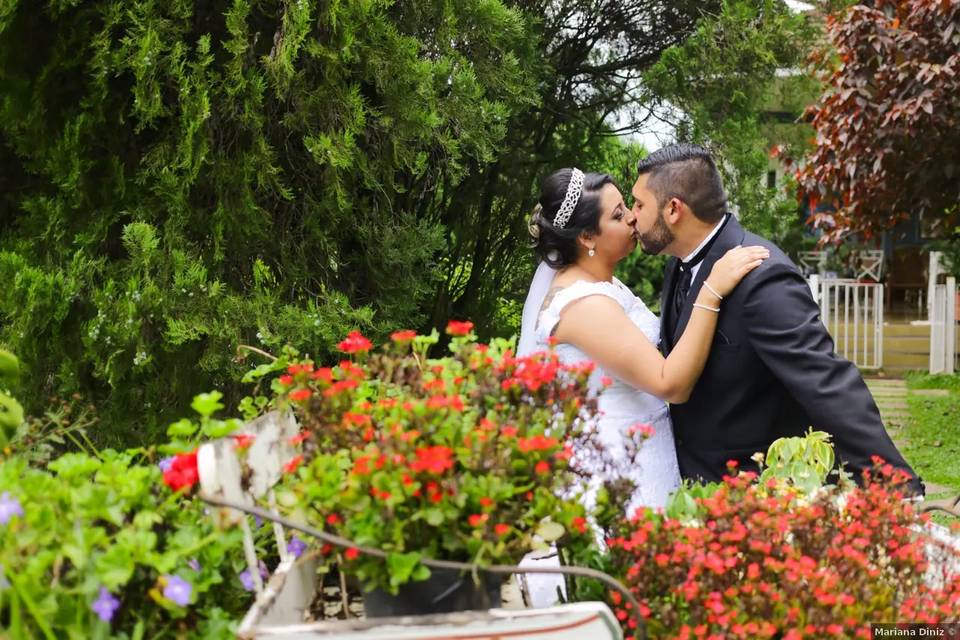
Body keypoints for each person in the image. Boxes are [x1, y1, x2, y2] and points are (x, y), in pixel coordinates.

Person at [630, 143, 922, 494]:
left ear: (674, 209)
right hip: (691, 482)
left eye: (639, 204)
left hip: (749, 491)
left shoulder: (762, 277)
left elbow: (825, 381)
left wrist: (894, 481)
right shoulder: (678, 262)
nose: (633, 215)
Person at [517, 167, 769, 512]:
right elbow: (669, 383)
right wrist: (711, 291)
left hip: (643, 455)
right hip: (619, 475)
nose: (634, 218)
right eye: (619, 215)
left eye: (629, 207)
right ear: (587, 238)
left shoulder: (603, 286)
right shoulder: (582, 305)